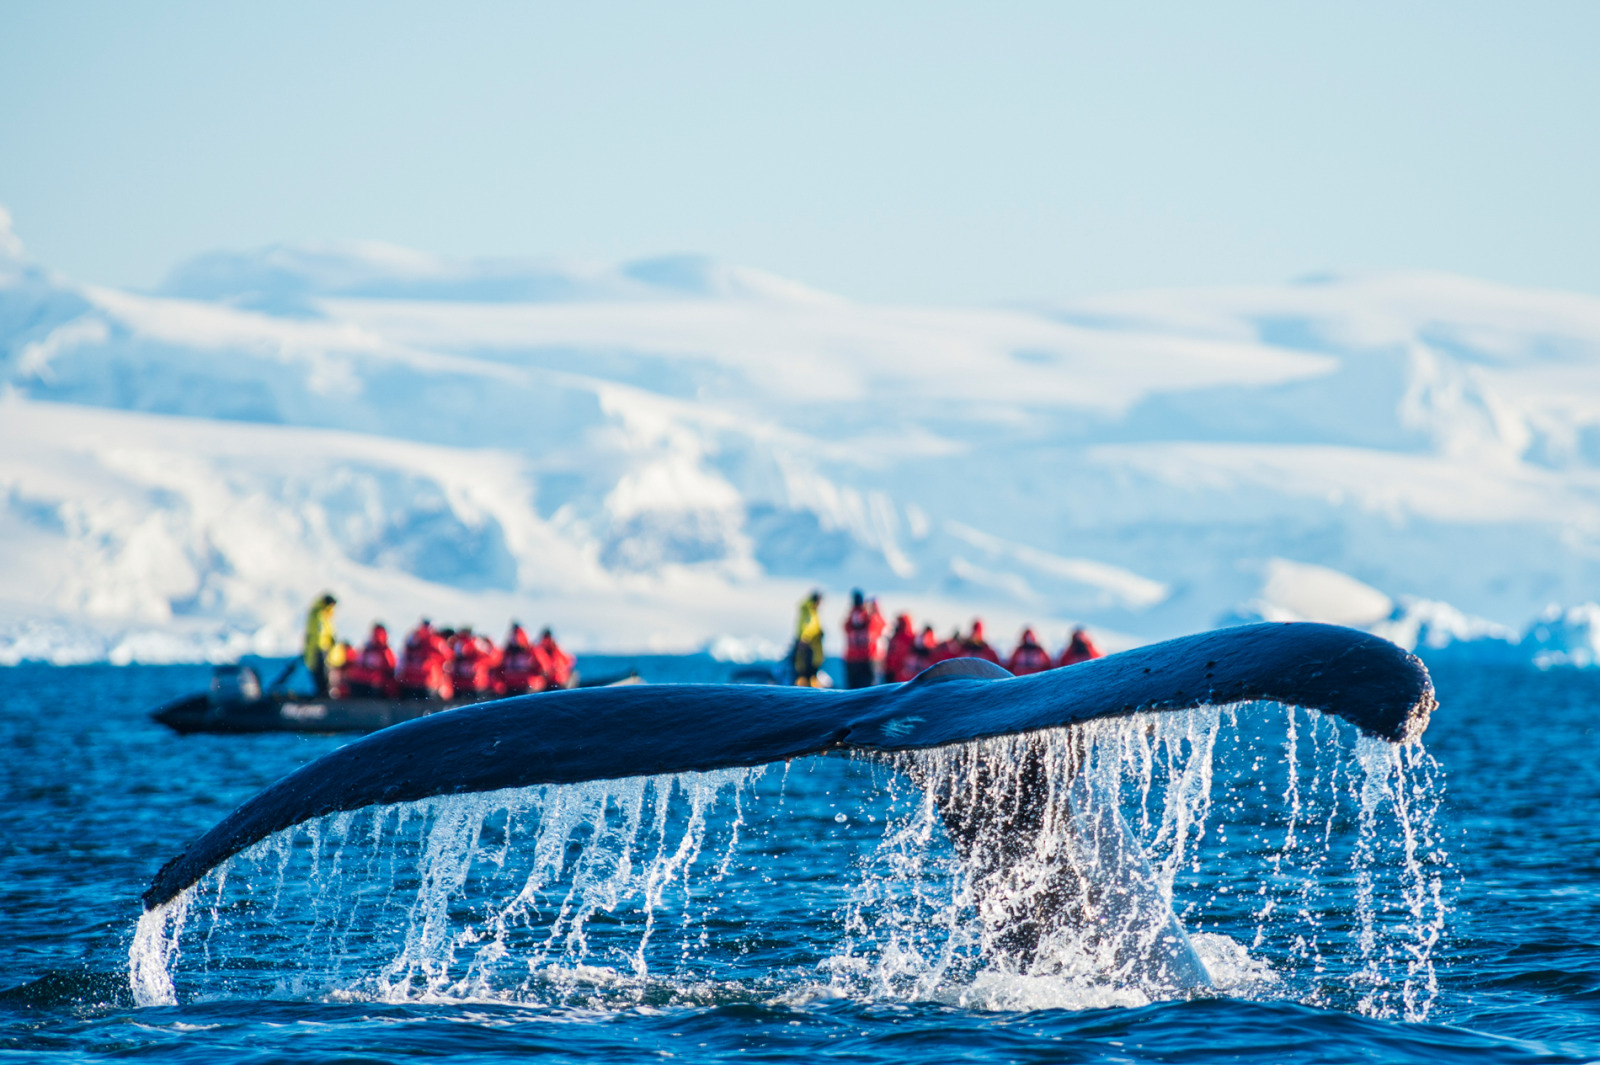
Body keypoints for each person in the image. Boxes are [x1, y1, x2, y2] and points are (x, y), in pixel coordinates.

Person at [398, 619, 454, 700]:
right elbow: (448, 657)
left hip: (411, 681)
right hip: (428, 682)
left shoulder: (413, 638)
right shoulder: (435, 641)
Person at [302, 593, 342, 697]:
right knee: (321, 677)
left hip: (319, 651)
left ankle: (324, 695)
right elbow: (319, 634)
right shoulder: (320, 614)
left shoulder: (321, 614)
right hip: (319, 651)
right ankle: (324, 697)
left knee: (323, 677)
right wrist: (325, 647)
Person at [345, 623, 398, 697]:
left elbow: (391, 668)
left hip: (377, 684)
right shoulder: (367, 649)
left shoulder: (386, 651)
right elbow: (358, 662)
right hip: (364, 681)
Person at [842, 589, 881, 689]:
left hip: (852, 660)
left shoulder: (850, 618)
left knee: (852, 690)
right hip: (867, 659)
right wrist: (875, 609)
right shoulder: (869, 617)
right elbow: (880, 626)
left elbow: (845, 628)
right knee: (869, 690)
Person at [498, 622, 548, 695]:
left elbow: (544, 669)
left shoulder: (532, 651)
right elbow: (498, 669)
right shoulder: (507, 653)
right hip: (510, 687)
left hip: (529, 688)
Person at [450, 626, 498, 696]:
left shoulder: (476, 643)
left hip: (475, 682)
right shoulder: (456, 643)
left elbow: (491, 657)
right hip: (460, 682)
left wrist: (478, 665)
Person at [792, 590, 825, 687]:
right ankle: (805, 692)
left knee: (811, 671)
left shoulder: (812, 610)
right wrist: (804, 638)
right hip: (807, 645)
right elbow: (806, 626)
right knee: (805, 671)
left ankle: (810, 690)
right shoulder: (809, 610)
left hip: (812, 646)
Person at [883, 613, 917, 683]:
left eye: (899, 622)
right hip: (890, 670)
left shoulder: (912, 638)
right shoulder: (895, 637)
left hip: (902, 672)